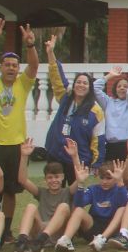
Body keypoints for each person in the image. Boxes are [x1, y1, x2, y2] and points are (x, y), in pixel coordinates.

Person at [0, 18, 38, 226]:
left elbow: (34, 65)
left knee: (10, 191)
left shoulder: (23, 84)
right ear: (0, 67)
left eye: (14, 65)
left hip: (15, 145)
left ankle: (7, 229)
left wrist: (30, 44)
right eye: (7, 65)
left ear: (18, 69)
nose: (11, 68)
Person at [44, 34, 105, 181]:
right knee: (55, 189)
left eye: (85, 83)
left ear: (90, 88)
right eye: (78, 82)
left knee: (76, 192)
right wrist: (50, 52)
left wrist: (97, 162)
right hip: (56, 153)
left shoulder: (96, 111)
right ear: (74, 84)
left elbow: (98, 139)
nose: (81, 85)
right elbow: (56, 77)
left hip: (79, 159)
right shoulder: (65, 98)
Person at [11, 139, 74, 252]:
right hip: (40, 230)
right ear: (45, 179)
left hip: (57, 232)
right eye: (50, 177)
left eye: (56, 177)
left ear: (62, 177)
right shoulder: (41, 192)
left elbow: (80, 180)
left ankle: (41, 240)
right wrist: (24, 156)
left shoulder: (68, 192)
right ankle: (22, 242)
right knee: (30, 207)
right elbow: (22, 180)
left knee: (64, 206)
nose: (53, 180)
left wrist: (74, 156)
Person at [62, 152, 128, 252]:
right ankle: (66, 239)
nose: (104, 181)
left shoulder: (119, 189)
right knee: (79, 210)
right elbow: (79, 203)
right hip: (94, 227)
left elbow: (125, 204)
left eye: (109, 178)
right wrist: (80, 184)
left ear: (115, 177)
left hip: (113, 228)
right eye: (102, 178)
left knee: (122, 208)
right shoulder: (93, 189)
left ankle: (102, 239)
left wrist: (120, 182)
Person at [93, 67, 128, 165]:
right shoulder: (108, 102)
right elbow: (94, 88)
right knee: (109, 173)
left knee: (127, 174)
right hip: (110, 146)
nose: (122, 88)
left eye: (125, 86)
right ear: (115, 89)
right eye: (119, 86)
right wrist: (109, 75)